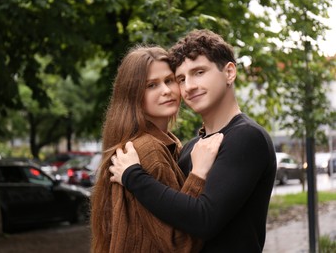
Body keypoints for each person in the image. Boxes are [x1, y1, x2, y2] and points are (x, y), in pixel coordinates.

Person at [109, 29, 277, 252]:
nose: (189, 86)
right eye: (181, 78)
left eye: (199, 72)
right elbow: (170, 227)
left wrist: (133, 176)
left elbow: (203, 220)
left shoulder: (247, 137)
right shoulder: (188, 148)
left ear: (229, 72)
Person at [90, 44, 223, 253]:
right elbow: (180, 245)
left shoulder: (166, 143)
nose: (167, 91)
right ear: (133, 95)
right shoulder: (148, 150)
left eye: (169, 80)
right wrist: (198, 175)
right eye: (151, 85)